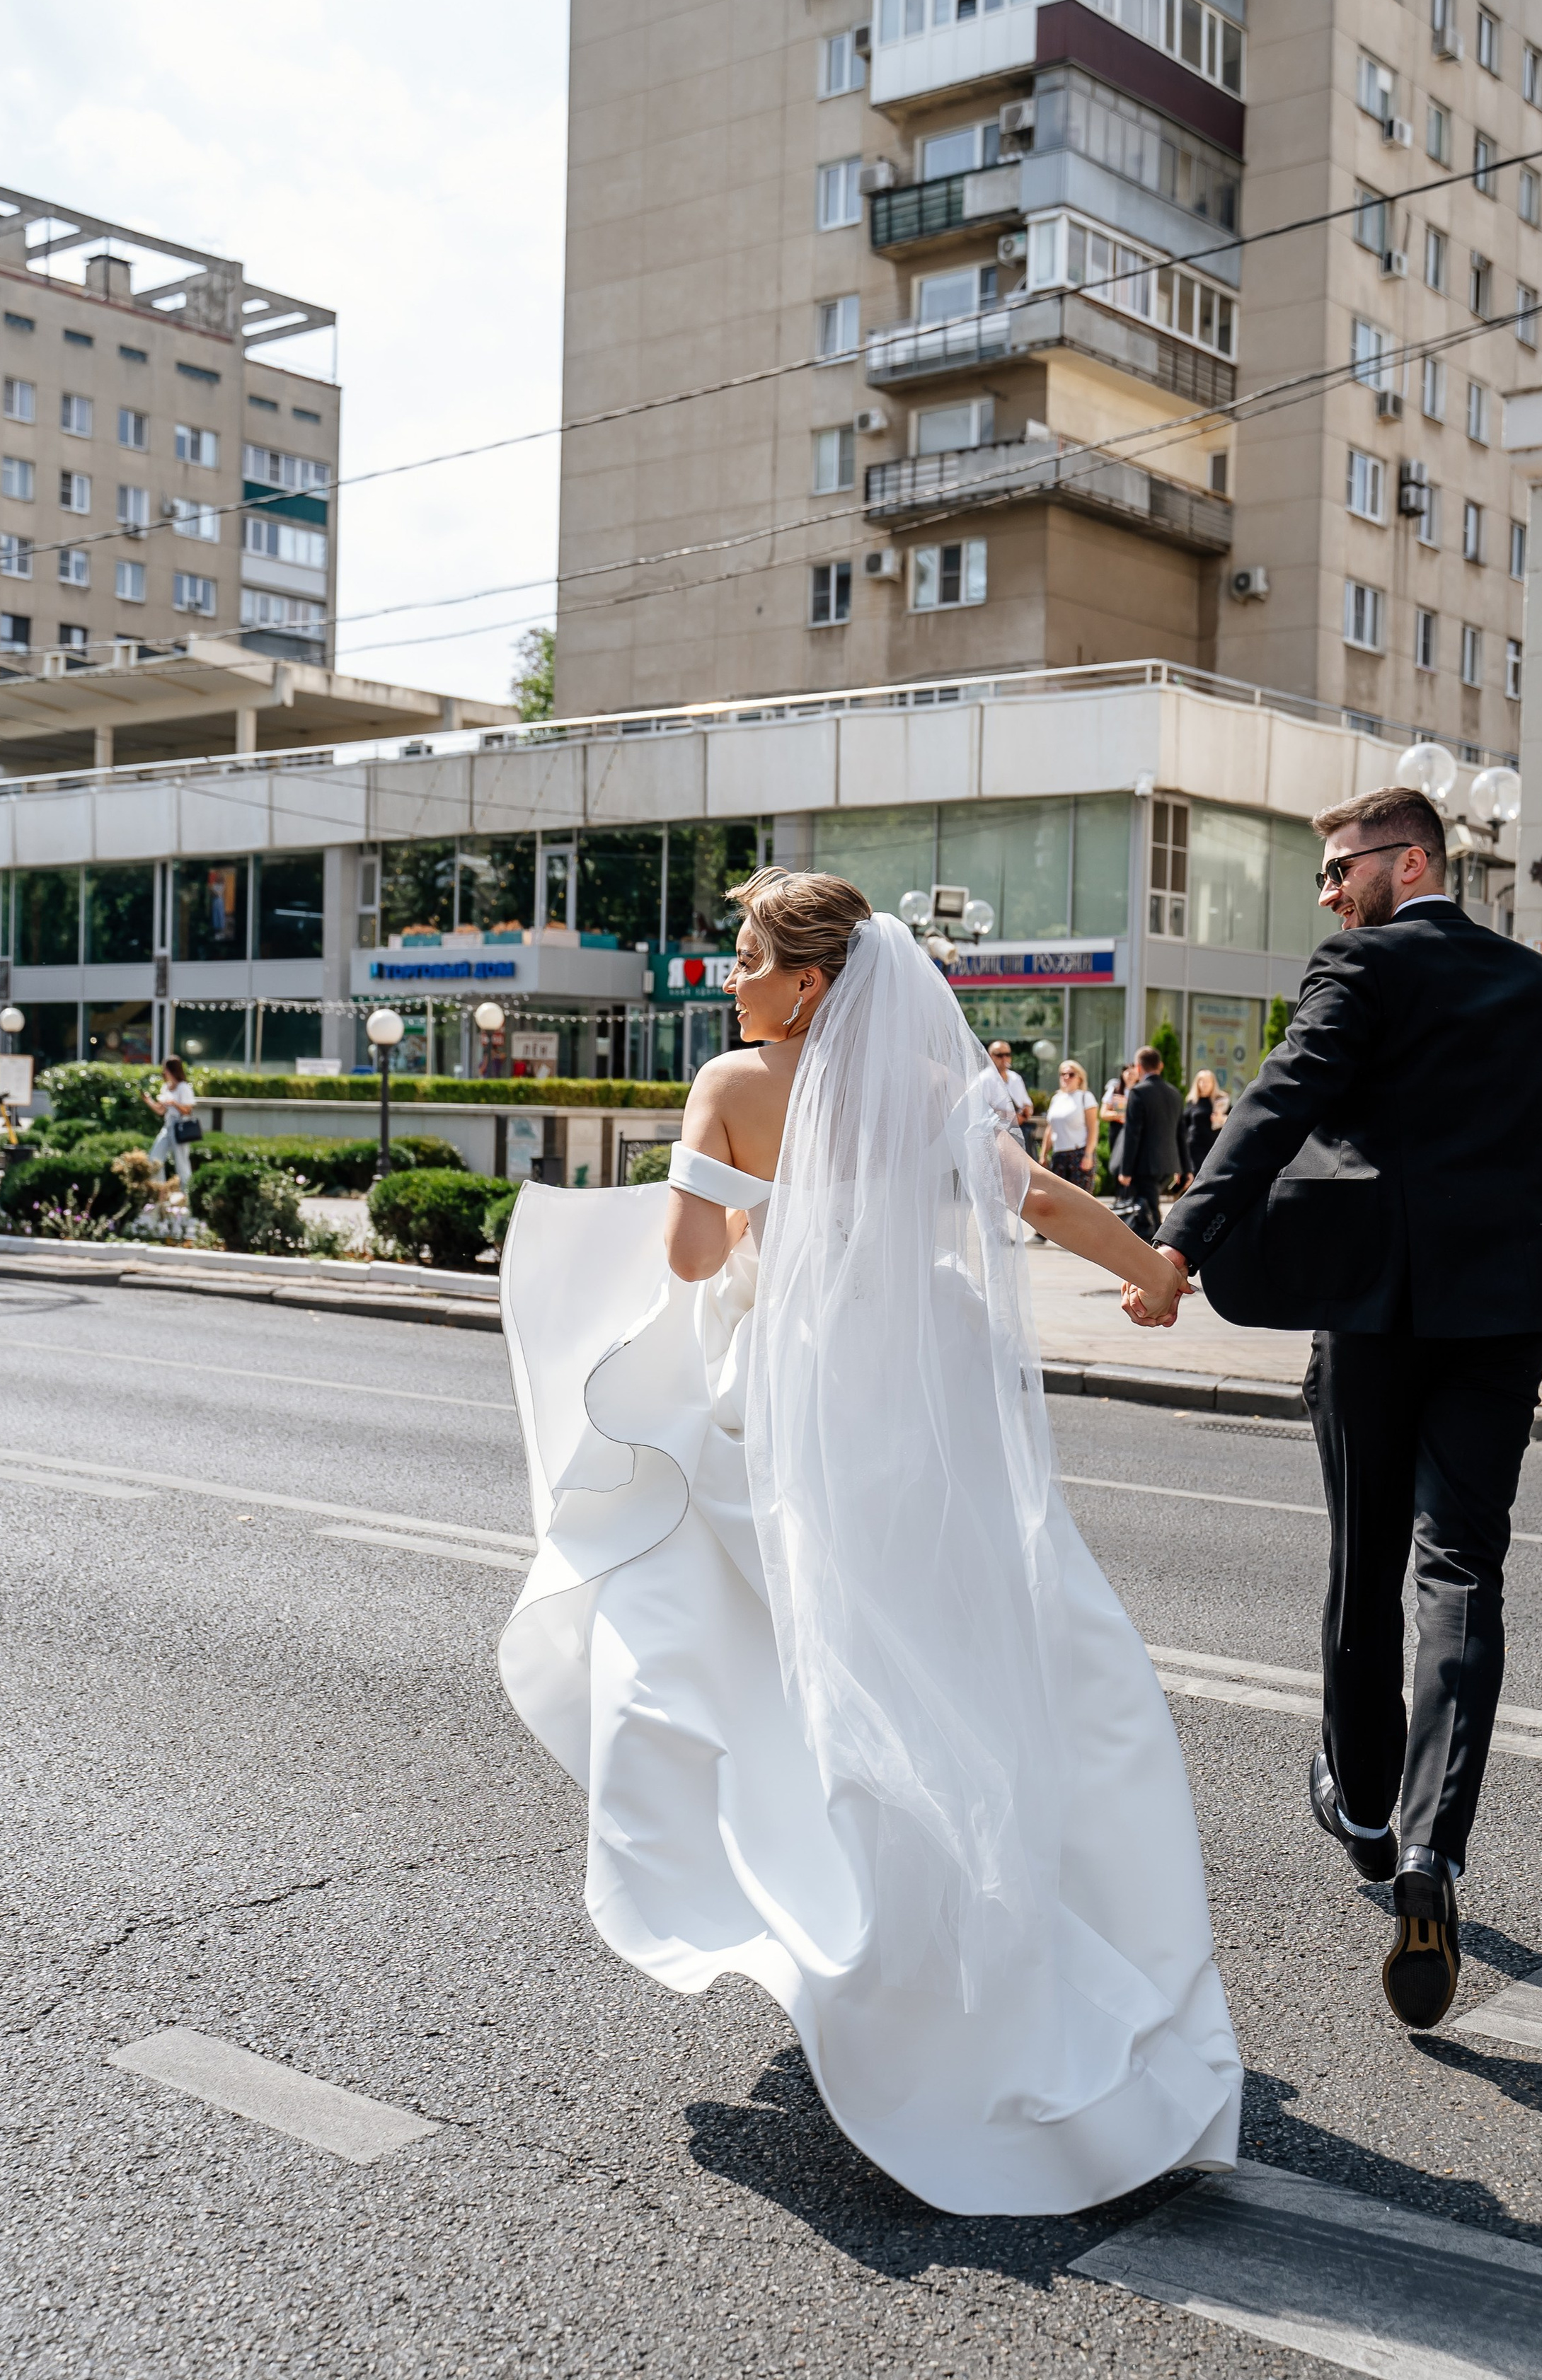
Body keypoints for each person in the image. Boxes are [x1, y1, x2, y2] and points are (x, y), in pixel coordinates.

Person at [498, 870, 1241, 2215]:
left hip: (804, 1402)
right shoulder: (934, 1087)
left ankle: (872, 1934)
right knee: (977, 1658)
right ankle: (1028, 1936)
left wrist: (737, 1194)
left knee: (797, 1666)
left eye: (743, 960)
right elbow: (1044, 1203)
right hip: (933, 1395)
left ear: (810, 985)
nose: (726, 980)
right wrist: (1155, 1271)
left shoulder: (734, 1082)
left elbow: (682, 1260)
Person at [1128, 787, 1542, 2034]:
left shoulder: (1362, 961)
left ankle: (1360, 1802)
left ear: (1408, 862)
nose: (1331, 892)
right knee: (1463, 1567)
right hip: (1506, 1309)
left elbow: (1281, 1095)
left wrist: (1182, 1244)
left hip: (1377, 1307)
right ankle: (1432, 1852)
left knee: (1364, 1572)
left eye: (1339, 868)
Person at [1115, 1045, 1181, 1234]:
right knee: (1150, 1207)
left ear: (1138, 1067)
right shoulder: (1174, 1093)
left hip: (1144, 1165)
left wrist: (1125, 1170)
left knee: (1151, 1212)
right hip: (1167, 1163)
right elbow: (1180, 1131)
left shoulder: (1138, 1092)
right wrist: (1185, 1168)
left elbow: (1132, 1133)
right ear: (1160, 1066)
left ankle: (1159, 1245)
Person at [1040, 1058, 1100, 1189]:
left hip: (1078, 1153)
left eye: (1071, 1074)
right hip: (1059, 1154)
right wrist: (1043, 1154)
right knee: (1059, 1199)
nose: (1067, 1077)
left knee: (1080, 1200)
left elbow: (1093, 1128)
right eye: (1063, 1074)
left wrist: (1089, 1154)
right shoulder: (1057, 1099)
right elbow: (1051, 1128)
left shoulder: (1085, 1097)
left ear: (1080, 1078)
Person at [143, 1056, 197, 1197]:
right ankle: (160, 1192)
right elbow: (161, 1110)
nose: (163, 1072)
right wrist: (148, 1101)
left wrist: (174, 1103)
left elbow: (188, 1110)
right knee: (154, 1159)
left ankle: (188, 1196)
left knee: (182, 1164)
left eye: (165, 1069)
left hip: (181, 1127)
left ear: (172, 1069)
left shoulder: (183, 1088)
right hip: (168, 1126)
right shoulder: (166, 1087)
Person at [1179, 1070, 1225, 1185]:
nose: (1203, 1085)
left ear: (1213, 1083)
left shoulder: (1220, 1100)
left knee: (1211, 1176)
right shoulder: (1192, 1101)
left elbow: (1232, 1120)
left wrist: (1221, 1119)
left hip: (1214, 1146)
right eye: (1201, 1081)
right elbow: (1185, 1124)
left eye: (1207, 1082)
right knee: (1197, 1176)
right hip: (1195, 1146)